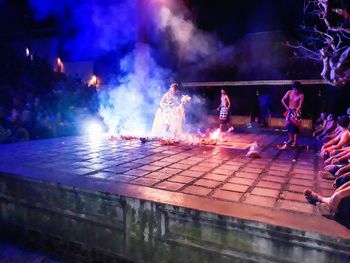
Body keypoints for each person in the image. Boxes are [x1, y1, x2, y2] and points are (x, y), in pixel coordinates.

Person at [281, 81, 304, 147]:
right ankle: (291, 139)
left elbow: (300, 106)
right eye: (294, 89)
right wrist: (287, 107)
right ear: (293, 88)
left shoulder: (301, 95)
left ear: (299, 89)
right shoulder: (289, 92)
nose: (295, 91)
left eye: (297, 89)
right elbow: (282, 100)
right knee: (288, 126)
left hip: (297, 112)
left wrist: (296, 112)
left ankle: (295, 142)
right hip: (289, 111)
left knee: (295, 127)